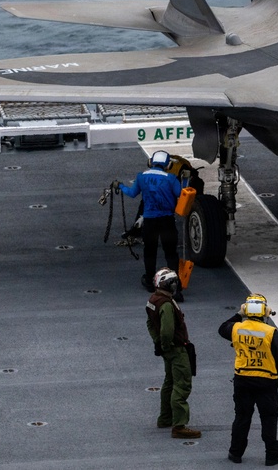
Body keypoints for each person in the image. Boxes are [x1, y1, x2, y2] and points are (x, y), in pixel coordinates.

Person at [218, 293, 278, 466]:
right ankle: (272, 455)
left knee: (242, 417)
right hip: (266, 381)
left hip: (243, 380)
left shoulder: (237, 328)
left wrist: (239, 314)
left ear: (246, 309)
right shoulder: (272, 333)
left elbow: (222, 328)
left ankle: (235, 453)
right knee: (269, 418)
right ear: (266, 311)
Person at [118, 150, 183, 298]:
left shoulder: (141, 177)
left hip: (150, 221)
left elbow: (132, 192)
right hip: (167, 220)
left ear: (151, 162)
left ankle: (149, 282)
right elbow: (180, 194)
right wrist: (184, 182)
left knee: (150, 252)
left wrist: (120, 186)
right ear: (168, 164)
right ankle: (176, 287)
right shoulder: (171, 178)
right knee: (171, 254)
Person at [145, 268, 200, 439]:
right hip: (176, 349)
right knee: (182, 384)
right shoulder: (167, 304)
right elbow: (168, 330)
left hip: (167, 350)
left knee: (169, 382)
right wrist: (166, 344)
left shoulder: (154, 300)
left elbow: (150, 324)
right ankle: (179, 425)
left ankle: (165, 418)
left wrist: (158, 343)